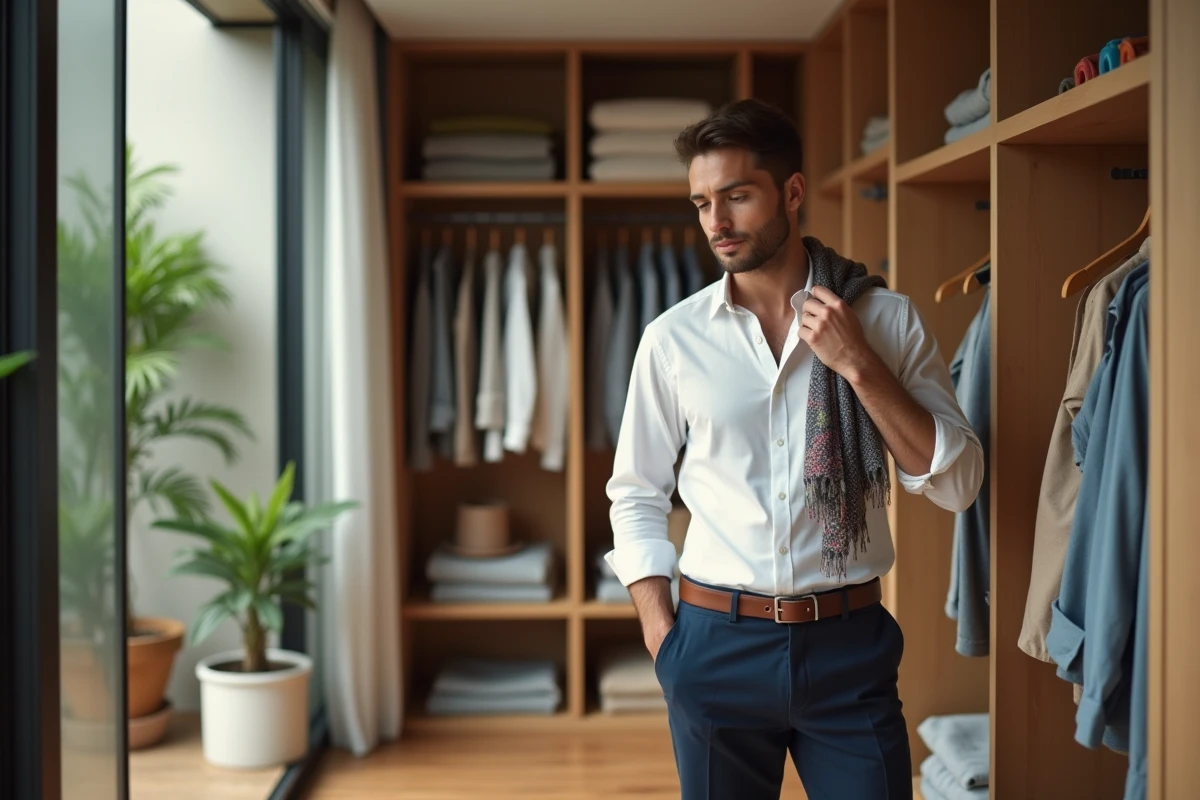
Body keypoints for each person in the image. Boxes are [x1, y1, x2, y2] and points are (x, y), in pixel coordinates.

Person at [603, 99, 984, 800]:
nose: (716, 222)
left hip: (849, 648)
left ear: (793, 192)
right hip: (713, 646)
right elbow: (635, 492)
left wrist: (859, 365)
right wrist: (663, 635)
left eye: (736, 196)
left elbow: (957, 484)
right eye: (702, 203)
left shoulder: (883, 319)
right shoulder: (673, 338)